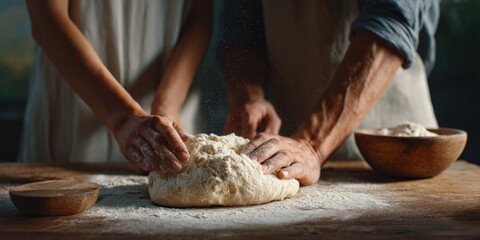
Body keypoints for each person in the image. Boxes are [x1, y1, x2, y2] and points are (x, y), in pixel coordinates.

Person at [219, 0, 439, 185]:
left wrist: (312, 143)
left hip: (395, 161)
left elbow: (391, 22)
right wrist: (249, 96)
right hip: (289, 156)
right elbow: (241, 30)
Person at [19, 0, 212, 174]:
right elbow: (47, 18)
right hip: (74, 112)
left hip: (174, 101)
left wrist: (167, 108)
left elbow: (200, 16)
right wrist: (122, 118)